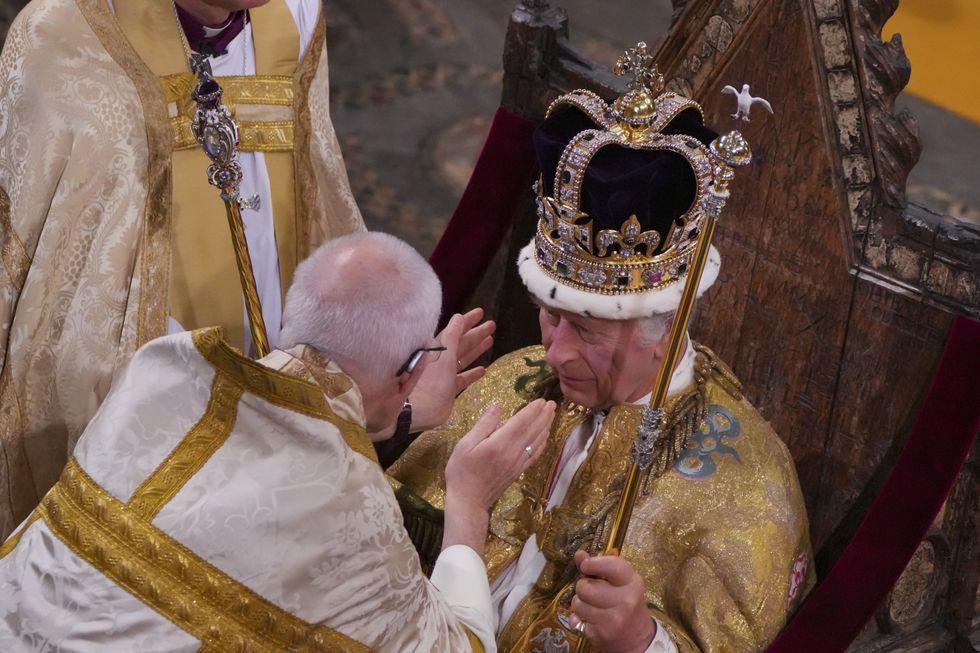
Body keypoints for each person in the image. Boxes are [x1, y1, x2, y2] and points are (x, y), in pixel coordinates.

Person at [390, 46, 815, 653]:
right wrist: (402, 420)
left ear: (665, 331)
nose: (554, 356)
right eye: (549, 318)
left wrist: (641, 641)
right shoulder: (512, 379)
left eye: (586, 331)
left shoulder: (750, 484)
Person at [0, 231, 557, 651]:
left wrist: (402, 413)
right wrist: (466, 505)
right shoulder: (351, 508)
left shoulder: (160, 376)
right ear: (413, 367)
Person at [0, 0, 364, 538]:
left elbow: (318, 193)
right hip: (128, 401)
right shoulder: (64, 31)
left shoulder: (295, 16)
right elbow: (34, 250)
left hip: (272, 370)